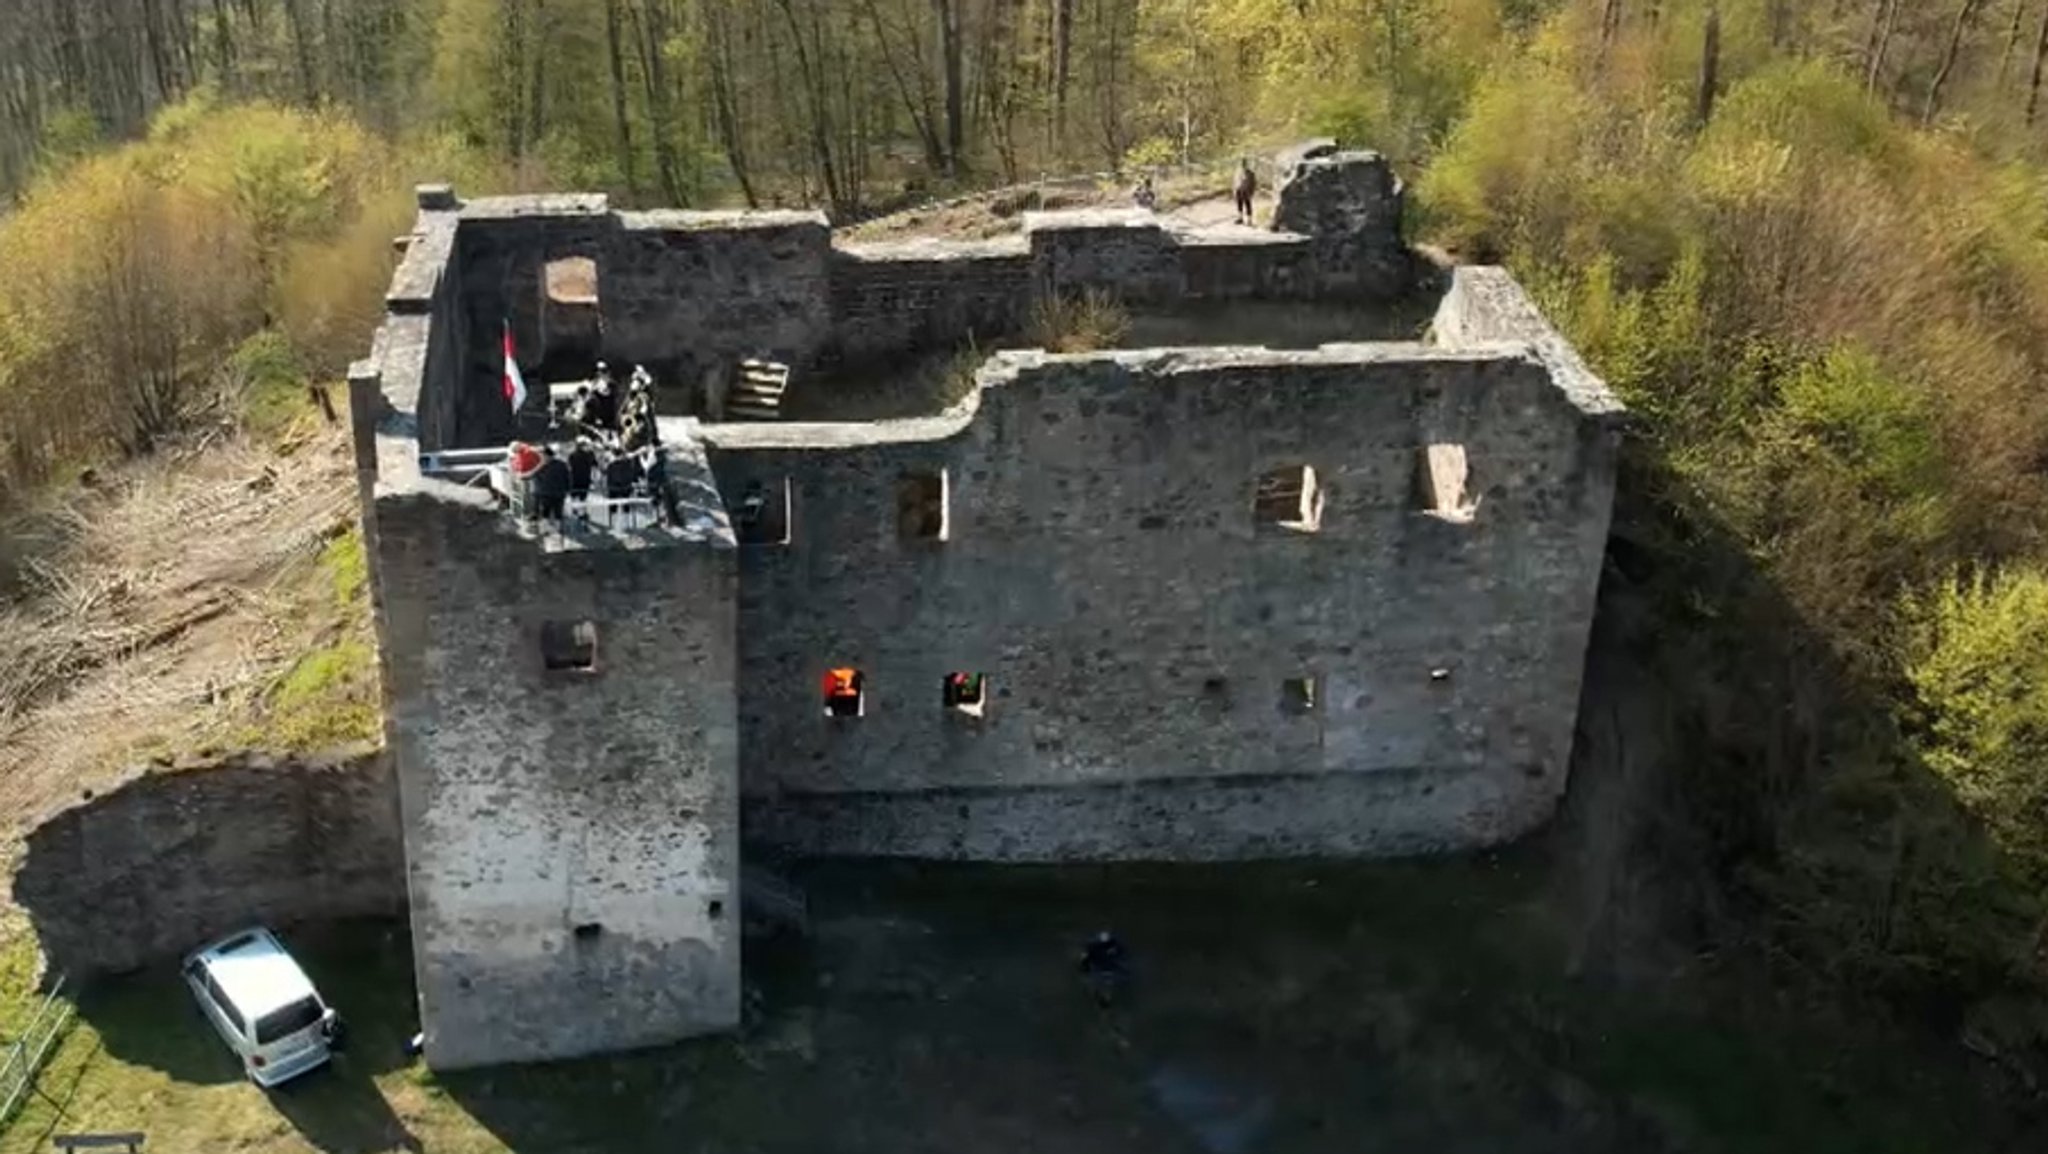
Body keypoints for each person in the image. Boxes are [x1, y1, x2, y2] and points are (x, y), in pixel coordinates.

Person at [1079, 930, 1129, 1007]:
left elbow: (1121, 957)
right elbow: (1085, 957)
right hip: (1100, 970)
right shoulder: (1094, 947)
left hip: (1106, 970)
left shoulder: (1115, 947)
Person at [530, 445, 571, 527]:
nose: (541, 457)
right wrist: (567, 490)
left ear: (547, 455)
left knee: (549, 514)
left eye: (542, 455)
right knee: (554, 514)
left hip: (548, 494)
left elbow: (536, 481)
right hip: (557, 494)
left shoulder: (540, 466)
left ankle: (552, 531)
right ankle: (554, 530)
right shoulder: (562, 464)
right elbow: (568, 478)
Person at [643, 446, 679, 526]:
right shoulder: (665, 467)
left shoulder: (653, 468)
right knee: (667, 505)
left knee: (661, 505)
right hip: (663, 491)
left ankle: (664, 519)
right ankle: (668, 520)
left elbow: (650, 481)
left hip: (658, 491)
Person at [1232, 157, 1258, 226]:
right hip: (1239, 190)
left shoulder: (1250, 173)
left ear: (1246, 164)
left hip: (1246, 191)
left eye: (1243, 164)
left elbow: (1253, 183)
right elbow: (1235, 181)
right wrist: (1234, 190)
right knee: (1239, 204)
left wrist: (1252, 192)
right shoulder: (1237, 172)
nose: (1242, 165)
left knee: (1248, 205)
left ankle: (1249, 220)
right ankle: (1240, 218)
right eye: (1241, 164)